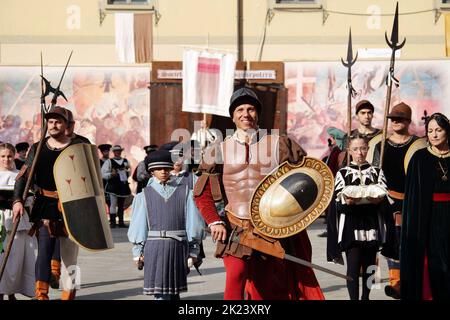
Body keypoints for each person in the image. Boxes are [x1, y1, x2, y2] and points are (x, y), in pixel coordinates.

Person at [194, 87, 324, 300]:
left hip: (271, 229)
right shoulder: (218, 150)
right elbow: (201, 193)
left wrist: (297, 219)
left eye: (251, 109)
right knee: (236, 275)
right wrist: (214, 221)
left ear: (258, 113)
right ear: (233, 116)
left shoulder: (279, 144)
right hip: (235, 227)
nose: (246, 114)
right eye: (240, 110)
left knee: (269, 288)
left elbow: (305, 182)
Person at [12, 106, 87, 300]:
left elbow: (92, 178)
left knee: (71, 258)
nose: (54, 125)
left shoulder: (79, 144)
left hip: (73, 207)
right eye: (51, 121)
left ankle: (69, 294)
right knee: (44, 251)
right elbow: (23, 176)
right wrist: (17, 200)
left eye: (58, 121)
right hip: (44, 205)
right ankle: (41, 295)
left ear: (66, 124)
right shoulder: (37, 148)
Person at [127, 149, 205, 300]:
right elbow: (139, 225)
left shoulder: (186, 193)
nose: (163, 171)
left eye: (166, 168)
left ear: (170, 169)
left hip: (178, 247)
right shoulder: (144, 195)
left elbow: (193, 222)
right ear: (151, 172)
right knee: (161, 294)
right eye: (158, 169)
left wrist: (194, 249)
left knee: (174, 293)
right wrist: (138, 251)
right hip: (154, 248)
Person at [327, 134, 390, 300]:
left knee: (370, 267)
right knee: (353, 268)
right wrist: (347, 202)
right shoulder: (343, 174)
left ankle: (366, 298)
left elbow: (385, 201)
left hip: (371, 224)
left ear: (368, 149)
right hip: (351, 224)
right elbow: (337, 205)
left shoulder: (377, 172)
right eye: (355, 149)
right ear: (350, 150)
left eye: (363, 148)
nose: (360, 153)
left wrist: (378, 201)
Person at [401, 112, 450, 300]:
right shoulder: (420, 159)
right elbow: (414, 197)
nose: (434, 134)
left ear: (447, 131)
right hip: (428, 219)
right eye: (430, 131)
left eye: (439, 130)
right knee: (435, 264)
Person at [372, 102, 418, 299]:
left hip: (412, 201)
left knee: (409, 242)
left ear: (408, 121)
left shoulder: (418, 145)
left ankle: (410, 281)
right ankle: (395, 283)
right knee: (392, 242)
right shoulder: (380, 145)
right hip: (387, 201)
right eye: (393, 119)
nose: (396, 122)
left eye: (400, 118)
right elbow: (373, 173)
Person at [0, 143, 37, 300]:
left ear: (14, 156)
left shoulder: (20, 175)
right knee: (1, 259)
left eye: (9, 156)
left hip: (18, 221)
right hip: (1, 219)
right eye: (2, 156)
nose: (6, 159)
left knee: (15, 259)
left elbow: (30, 198)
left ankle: (11, 292)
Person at [339, 100, 381, 167]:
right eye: (363, 113)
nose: (366, 116)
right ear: (357, 115)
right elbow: (344, 161)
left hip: (375, 173)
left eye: (369, 113)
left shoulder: (381, 135)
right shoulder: (349, 136)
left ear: (372, 115)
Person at [101, 145, 132, 228]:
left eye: (119, 151)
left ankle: (121, 222)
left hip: (122, 185)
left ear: (121, 151)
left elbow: (129, 172)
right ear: (113, 152)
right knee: (113, 204)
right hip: (113, 185)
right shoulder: (109, 161)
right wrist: (111, 174)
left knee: (121, 204)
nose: (118, 152)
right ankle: (113, 222)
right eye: (116, 151)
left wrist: (126, 172)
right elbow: (103, 173)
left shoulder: (126, 161)